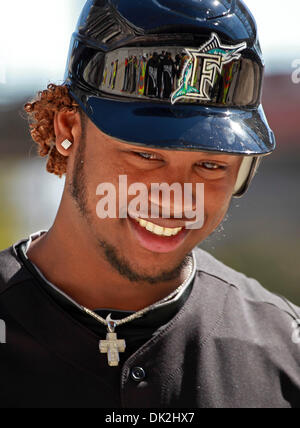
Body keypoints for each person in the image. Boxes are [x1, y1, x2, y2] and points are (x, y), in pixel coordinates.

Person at [0, 0, 299, 409]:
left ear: (242, 173)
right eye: (145, 154)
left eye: (210, 164)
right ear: (68, 128)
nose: (175, 195)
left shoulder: (285, 352)